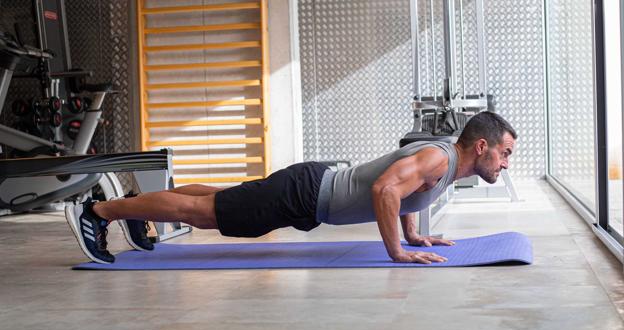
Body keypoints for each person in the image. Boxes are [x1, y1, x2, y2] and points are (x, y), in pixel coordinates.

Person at [66, 111, 517, 265]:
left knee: (216, 199)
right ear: (482, 146)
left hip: (310, 189)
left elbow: (405, 189)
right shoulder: (441, 157)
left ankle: (135, 208)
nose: (507, 161)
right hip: (305, 193)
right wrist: (397, 250)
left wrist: (414, 233)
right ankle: (101, 212)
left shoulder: (446, 163)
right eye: (506, 152)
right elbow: (385, 190)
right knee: (208, 213)